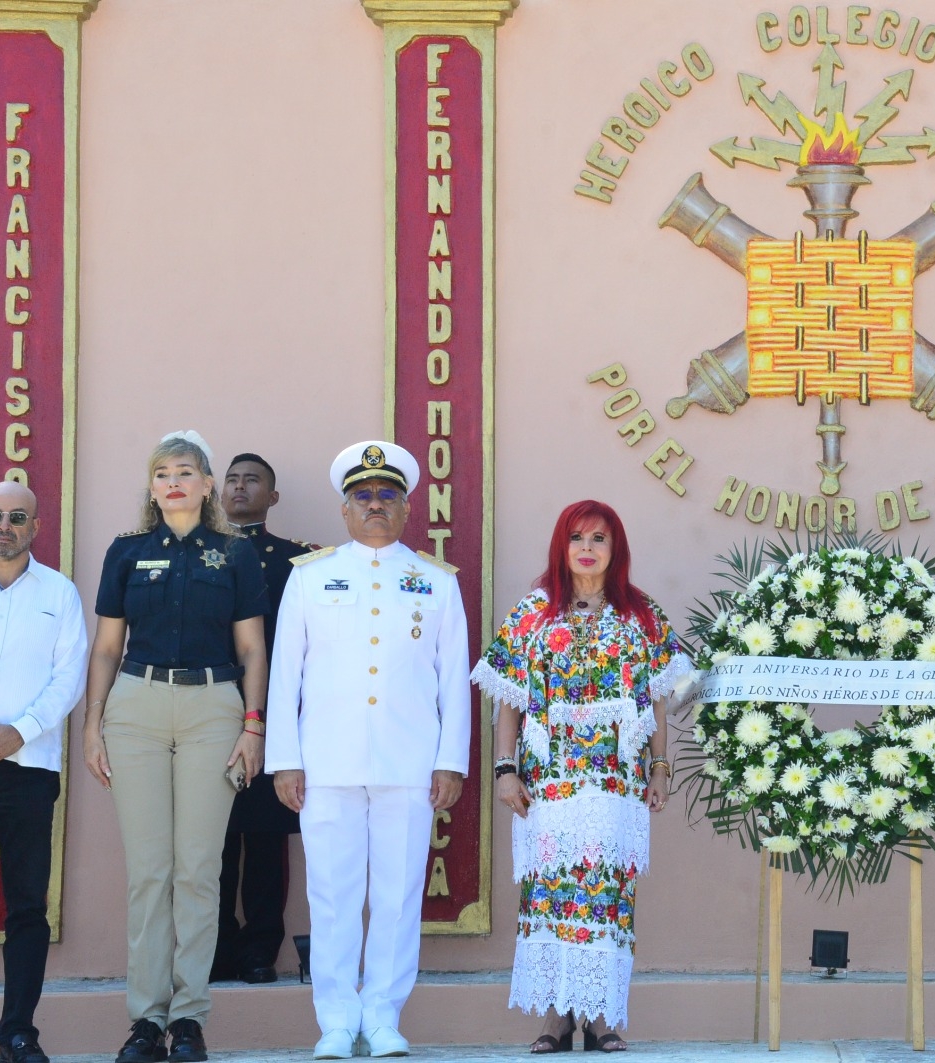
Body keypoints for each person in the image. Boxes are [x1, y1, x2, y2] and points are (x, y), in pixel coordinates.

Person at [266, 440, 470, 1060]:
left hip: (409, 761)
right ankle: (334, 1019)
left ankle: (382, 1015)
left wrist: (450, 760)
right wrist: (286, 758)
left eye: (387, 495)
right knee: (330, 893)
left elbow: (451, 677)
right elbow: (285, 675)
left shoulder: (436, 581)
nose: (375, 504)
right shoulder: (308, 577)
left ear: (407, 509)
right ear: (345, 510)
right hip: (325, 760)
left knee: (398, 894)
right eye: (363, 496)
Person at [472, 500, 691, 1054]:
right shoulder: (533, 613)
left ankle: (598, 1018)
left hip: (615, 784)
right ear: (562, 547)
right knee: (549, 896)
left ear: (615, 548)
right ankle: (553, 1019)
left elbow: (659, 704)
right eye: (577, 538)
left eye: (599, 538)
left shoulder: (641, 615)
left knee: (606, 896)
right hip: (549, 783)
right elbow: (509, 705)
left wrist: (660, 770)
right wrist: (505, 771)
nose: (587, 548)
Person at [83, 430, 270, 1063]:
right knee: (149, 873)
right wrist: (92, 725)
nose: (173, 481)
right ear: (152, 486)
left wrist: (253, 725)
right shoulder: (127, 551)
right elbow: (108, 646)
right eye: (161, 472)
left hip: (213, 709)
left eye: (185, 471)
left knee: (196, 869)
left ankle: (188, 1019)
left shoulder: (233, 554)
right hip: (135, 709)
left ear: (208, 484)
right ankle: (145, 1022)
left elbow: (251, 648)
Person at [0, 482, 90, 1063]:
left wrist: (19, 729)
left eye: (16, 517)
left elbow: (69, 676)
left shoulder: (60, 593)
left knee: (27, 905)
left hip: (28, 767)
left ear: (36, 527)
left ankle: (18, 1033)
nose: (5, 525)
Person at [212, 453, 317, 985]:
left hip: (271, 716)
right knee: (213, 838)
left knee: (266, 836)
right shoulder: (199, 552)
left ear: (272, 497)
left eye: (252, 480)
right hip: (206, 710)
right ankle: (216, 949)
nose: (239, 487)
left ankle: (259, 950)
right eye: (232, 479)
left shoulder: (297, 562)